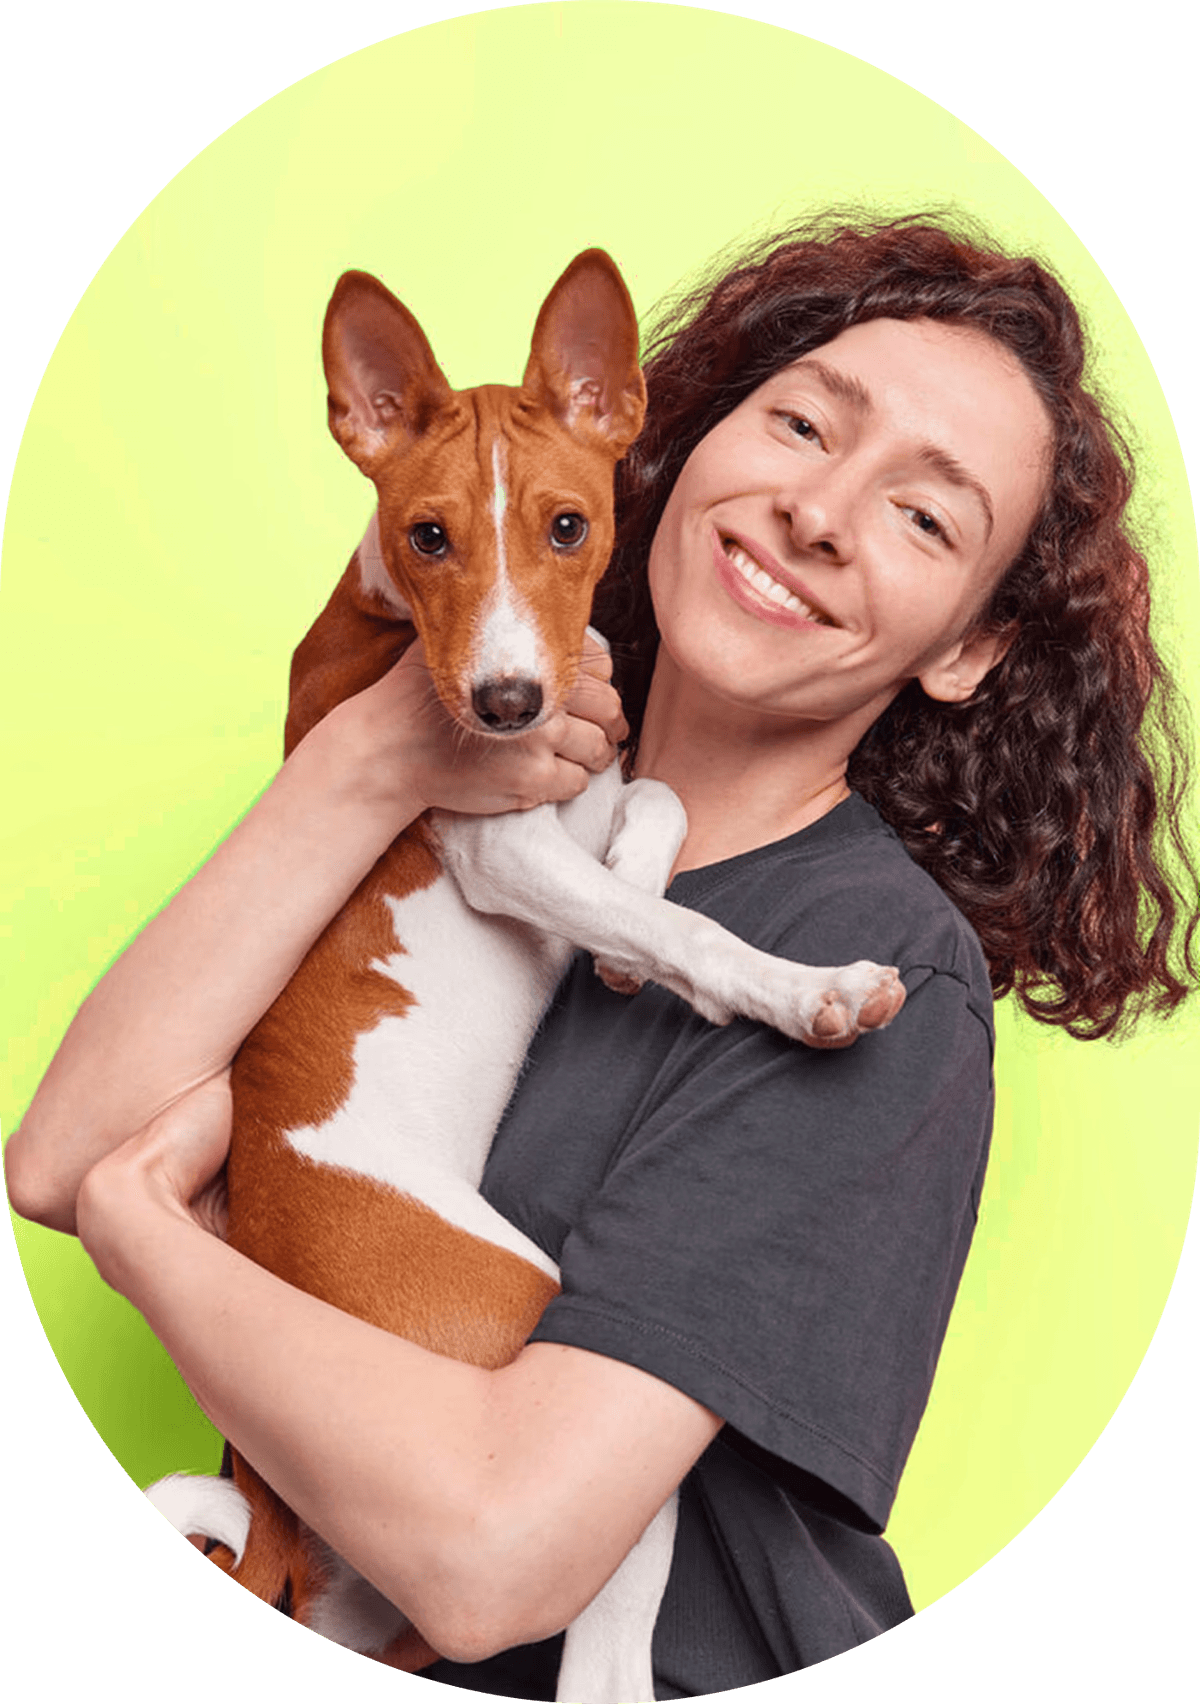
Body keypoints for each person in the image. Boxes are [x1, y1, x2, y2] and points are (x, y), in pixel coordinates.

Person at [7, 217, 1196, 1698]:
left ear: (967, 647)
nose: (822, 510)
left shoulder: (875, 970)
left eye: (925, 517)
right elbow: (59, 1157)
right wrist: (375, 756)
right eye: (806, 423)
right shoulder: (466, 834)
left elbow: (500, 1555)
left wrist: (148, 1231)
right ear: (672, 449)